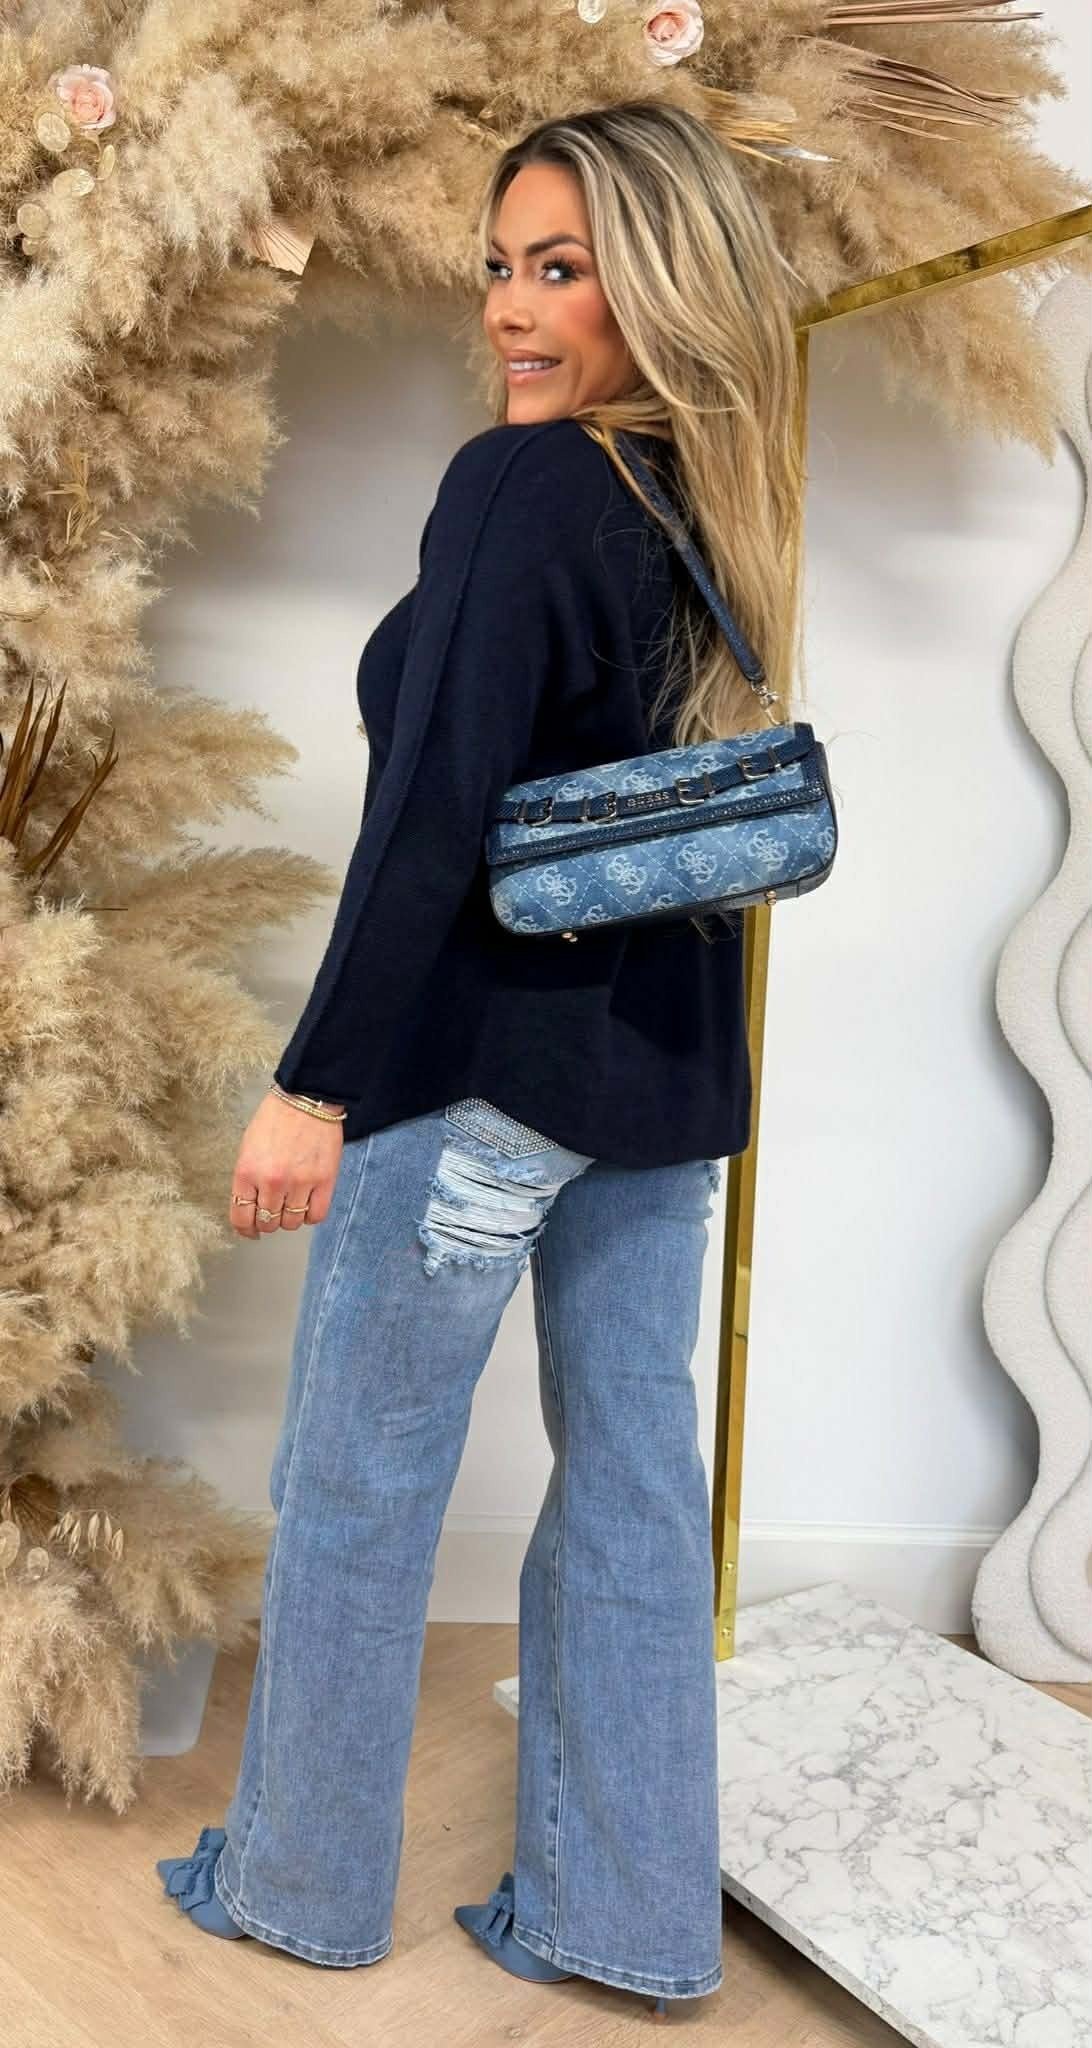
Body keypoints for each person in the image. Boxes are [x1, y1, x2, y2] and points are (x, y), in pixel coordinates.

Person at [155, 99, 805, 2019]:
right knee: (635, 1494)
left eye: (562, 269)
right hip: (663, 1095)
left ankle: (299, 1884)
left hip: (476, 1091)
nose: (514, 312)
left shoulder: (522, 487)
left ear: (660, 285)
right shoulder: (715, 502)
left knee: (362, 1484)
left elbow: (432, 815)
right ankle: (626, 1921)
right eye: (501, 269)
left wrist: (314, 1085)